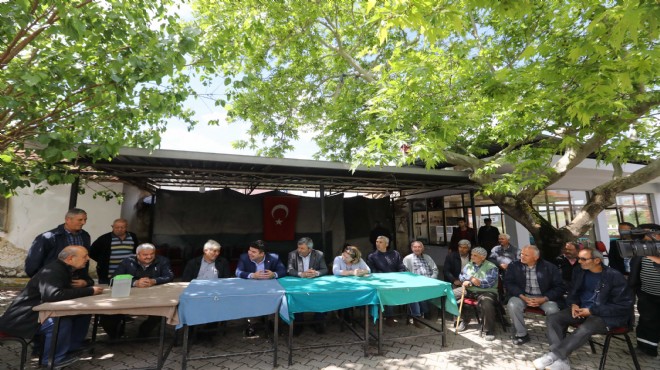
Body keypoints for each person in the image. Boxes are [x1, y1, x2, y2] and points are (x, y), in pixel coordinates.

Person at [0, 246, 103, 368]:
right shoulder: (54, 270)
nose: (88, 258)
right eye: (84, 256)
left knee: (83, 313)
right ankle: (52, 360)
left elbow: (88, 280)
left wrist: (86, 285)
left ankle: (72, 346)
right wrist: (89, 291)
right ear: (70, 258)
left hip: (38, 312)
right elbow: (53, 295)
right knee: (59, 322)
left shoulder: (69, 268)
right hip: (24, 318)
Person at [533, 247, 634, 370]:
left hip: (607, 316)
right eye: (578, 258)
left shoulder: (614, 276)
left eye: (583, 259)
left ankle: (554, 355)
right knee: (554, 318)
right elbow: (573, 292)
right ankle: (562, 361)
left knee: (588, 326)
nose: (579, 261)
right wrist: (573, 304)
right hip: (582, 310)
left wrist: (591, 311)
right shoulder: (579, 271)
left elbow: (624, 305)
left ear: (597, 260)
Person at [101, 243, 174, 339]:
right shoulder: (127, 261)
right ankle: (116, 335)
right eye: (145, 255)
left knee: (160, 311)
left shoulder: (163, 260)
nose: (149, 257)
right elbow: (113, 280)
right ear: (137, 254)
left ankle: (144, 332)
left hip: (154, 297)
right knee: (108, 316)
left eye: (152, 254)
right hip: (129, 296)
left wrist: (154, 281)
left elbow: (169, 276)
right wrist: (135, 283)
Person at [505, 245, 564, 345]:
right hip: (523, 296)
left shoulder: (549, 267)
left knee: (553, 310)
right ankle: (521, 334)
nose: (522, 257)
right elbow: (509, 283)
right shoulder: (514, 265)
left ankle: (554, 340)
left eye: (526, 255)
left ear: (536, 257)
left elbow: (559, 287)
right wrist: (521, 296)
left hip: (544, 297)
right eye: (521, 254)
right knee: (512, 304)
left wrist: (544, 298)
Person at [235, 240, 286, 336]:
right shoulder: (244, 257)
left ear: (262, 253)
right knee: (250, 299)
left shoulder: (274, 257)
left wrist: (273, 274)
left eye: (253, 252)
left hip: (269, 287)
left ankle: (272, 322)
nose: (250, 253)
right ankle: (252, 324)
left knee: (275, 298)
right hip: (251, 287)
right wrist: (252, 275)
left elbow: (283, 271)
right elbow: (238, 272)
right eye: (249, 250)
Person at [25, 208, 90, 278]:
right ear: (68, 219)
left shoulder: (85, 236)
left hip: (76, 281)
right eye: (80, 220)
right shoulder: (48, 237)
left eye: (85, 220)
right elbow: (32, 263)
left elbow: (84, 259)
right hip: (53, 279)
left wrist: (86, 280)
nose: (83, 223)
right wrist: (42, 280)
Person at [452, 246, 499, 341]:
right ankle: (461, 320)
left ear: (483, 257)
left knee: (487, 303)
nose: (472, 257)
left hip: (486, 291)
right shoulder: (469, 264)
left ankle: (489, 329)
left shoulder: (491, 267)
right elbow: (461, 276)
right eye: (472, 254)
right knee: (450, 295)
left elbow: (487, 283)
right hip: (469, 289)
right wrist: (469, 279)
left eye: (475, 255)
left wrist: (470, 281)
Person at [628, 224, 660, 357]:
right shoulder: (642, 247)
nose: (643, 237)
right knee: (646, 320)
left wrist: (649, 255)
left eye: (646, 234)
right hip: (646, 292)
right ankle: (646, 348)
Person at [287, 237, 329, 335]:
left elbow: (325, 269)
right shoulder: (292, 254)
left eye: (302, 248)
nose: (299, 250)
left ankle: (318, 321)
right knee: (296, 297)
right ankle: (298, 323)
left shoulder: (319, 254)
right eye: (298, 248)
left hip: (313, 283)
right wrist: (301, 274)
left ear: (310, 249)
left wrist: (316, 273)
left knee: (322, 296)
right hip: (298, 283)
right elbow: (289, 270)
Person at [367, 235, 406, 327]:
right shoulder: (372, 256)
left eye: (380, 242)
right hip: (382, 281)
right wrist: (386, 278)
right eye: (377, 242)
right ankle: (389, 317)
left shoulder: (395, 254)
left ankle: (416, 315)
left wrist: (400, 276)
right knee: (388, 291)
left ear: (386, 244)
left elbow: (401, 267)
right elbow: (373, 271)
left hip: (397, 280)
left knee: (412, 289)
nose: (378, 244)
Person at [89, 218, 140, 284]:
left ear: (126, 227)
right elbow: (92, 252)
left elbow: (136, 252)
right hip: (108, 274)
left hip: (128, 273)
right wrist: (102, 260)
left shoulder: (132, 236)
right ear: (112, 227)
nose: (119, 229)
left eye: (122, 227)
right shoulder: (104, 238)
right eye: (117, 227)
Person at [402, 240, 438, 328]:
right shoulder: (408, 259)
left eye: (419, 247)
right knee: (414, 294)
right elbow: (405, 273)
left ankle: (426, 313)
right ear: (412, 248)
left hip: (429, 282)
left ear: (422, 248)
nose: (417, 249)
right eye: (415, 247)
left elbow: (435, 270)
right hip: (415, 284)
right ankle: (417, 317)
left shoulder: (427, 257)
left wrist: (432, 280)